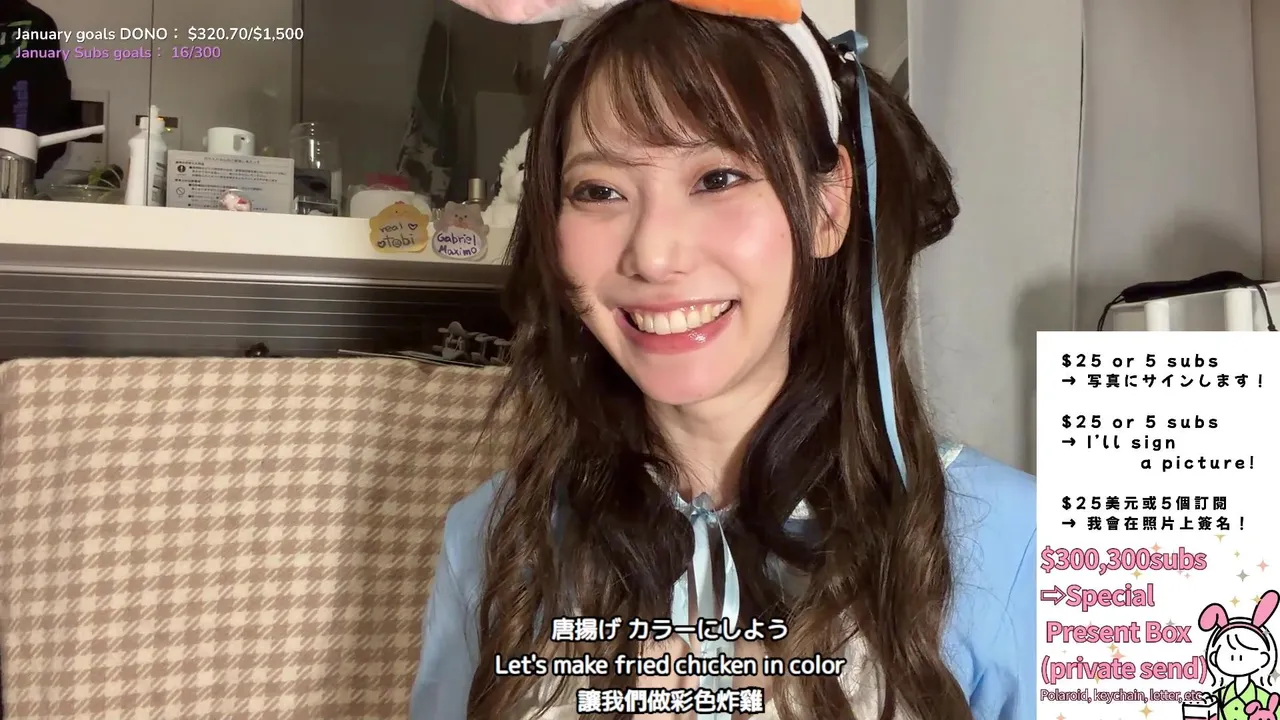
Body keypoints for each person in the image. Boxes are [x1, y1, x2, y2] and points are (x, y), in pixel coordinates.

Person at [410, 0, 1036, 716]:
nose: (653, 254)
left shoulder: (1024, 541)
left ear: (828, 206)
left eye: (717, 179)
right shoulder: (490, 540)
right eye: (598, 190)